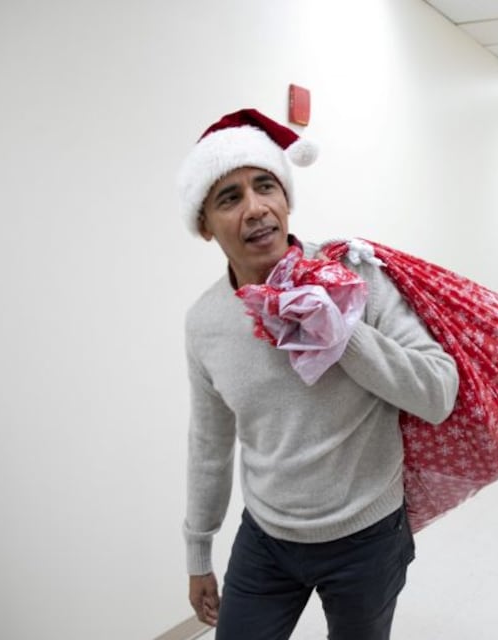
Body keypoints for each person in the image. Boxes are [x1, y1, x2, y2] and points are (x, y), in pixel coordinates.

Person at [176, 108, 459, 639]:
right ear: (205, 225)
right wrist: (198, 551)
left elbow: (438, 391)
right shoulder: (205, 323)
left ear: (286, 198)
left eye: (266, 186)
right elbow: (209, 446)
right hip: (266, 538)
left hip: (367, 536)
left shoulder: (355, 273)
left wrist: (343, 333)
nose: (255, 208)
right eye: (229, 198)